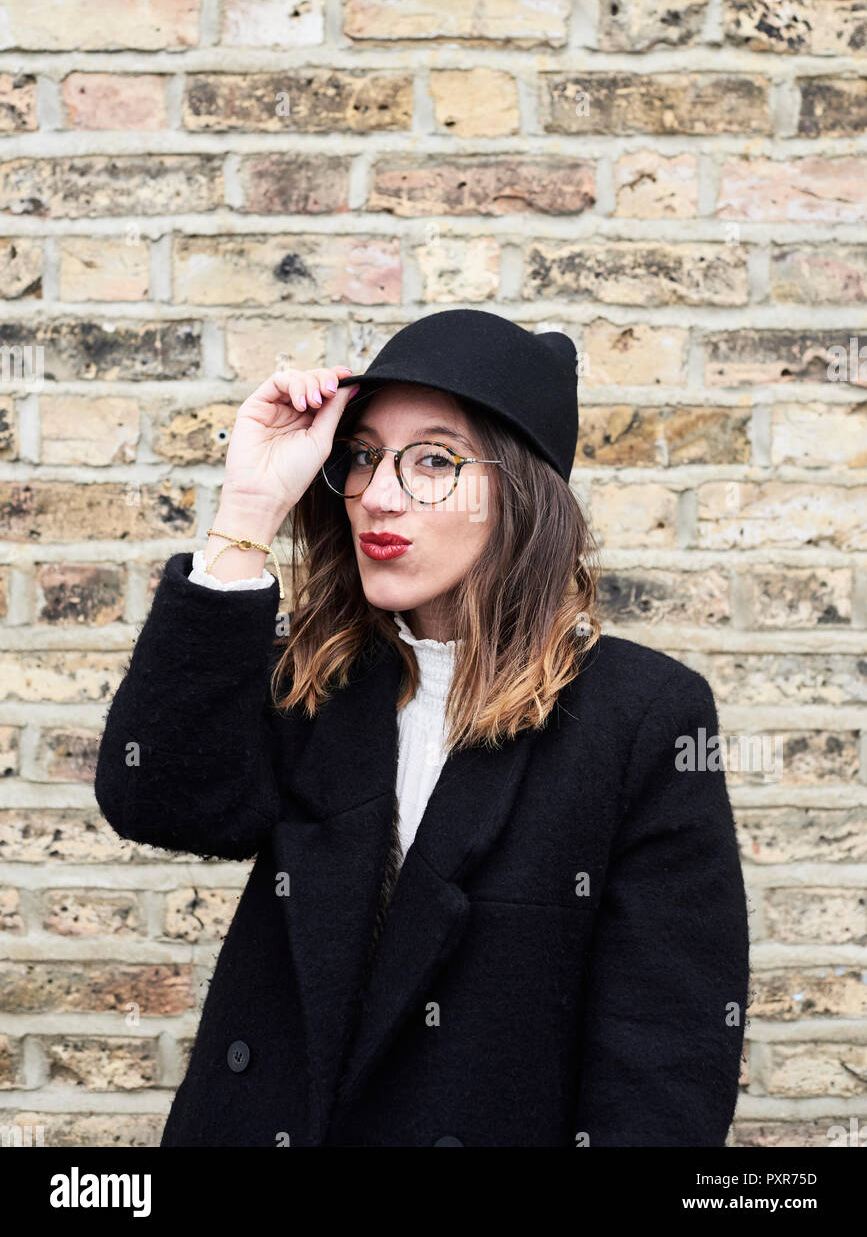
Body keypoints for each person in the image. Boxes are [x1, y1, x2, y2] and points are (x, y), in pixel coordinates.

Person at [94, 307, 750, 1148]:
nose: (377, 494)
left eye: (433, 460)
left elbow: (663, 1047)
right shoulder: (318, 674)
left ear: (519, 491)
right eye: (363, 456)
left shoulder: (639, 716)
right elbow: (163, 804)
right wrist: (248, 512)